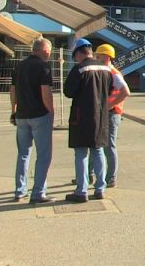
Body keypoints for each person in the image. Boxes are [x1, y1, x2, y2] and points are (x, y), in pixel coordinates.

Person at [63, 38, 113, 203]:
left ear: (78, 53)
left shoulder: (79, 69)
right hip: (101, 116)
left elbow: (68, 92)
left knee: (81, 153)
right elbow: (110, 90)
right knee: (98, 151)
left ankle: (81, 190)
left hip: (81, 117)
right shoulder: (105, 69)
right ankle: (100, 189)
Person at [10, 37, 56, 203]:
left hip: (22, 115)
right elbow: (46, 92)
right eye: (49, 51)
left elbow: (13, 90)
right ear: (45, 50)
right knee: (43, 155)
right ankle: (38, 192)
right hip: (39, 115)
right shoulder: (43, 67)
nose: (50, 54)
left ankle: (20, 190)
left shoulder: (19, 66)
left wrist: (13, 110)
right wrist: (51, 112)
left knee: (23, 153)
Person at [95, 44, 130, 188]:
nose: (96, 57)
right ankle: (89, 174)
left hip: (112, 113)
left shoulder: (113, 73)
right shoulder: (104, 71)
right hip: (106, 112)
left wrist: (108, 106)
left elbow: (125, 92)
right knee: (96, 144)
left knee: (109, 146)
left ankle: (111, 177)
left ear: (107, 56)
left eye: (99, 55)